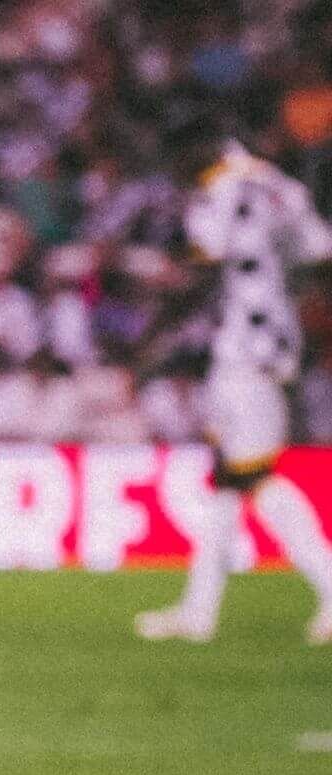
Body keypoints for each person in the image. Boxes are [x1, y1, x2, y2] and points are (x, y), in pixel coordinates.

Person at [136, 131, 332, 646]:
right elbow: (318, 244)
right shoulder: (275, 182)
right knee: (227, 477)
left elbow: (207, 246)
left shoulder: (222, 186)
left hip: (247, 346)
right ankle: (198, 612)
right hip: (270, 337)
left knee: (252, 477)